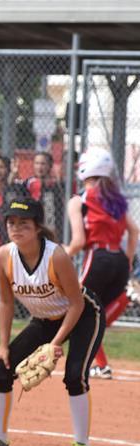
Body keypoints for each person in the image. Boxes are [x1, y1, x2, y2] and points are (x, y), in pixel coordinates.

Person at [0, 198, 104, 446]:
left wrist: (54, 343)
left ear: (38, 227)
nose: (16, 228)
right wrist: (3, 345)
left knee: (75, 376)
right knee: (0, 369)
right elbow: (5, 301)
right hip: (43, 319)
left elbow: (76, 304)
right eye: (11, 223)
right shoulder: (3, 256)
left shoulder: (56, 256)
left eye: (24, 224)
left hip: (83, 316)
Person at [65, 147, 139, 379]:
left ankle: (91, 364)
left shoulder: (80, 200)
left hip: (98, 257)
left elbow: (78, 242)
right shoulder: (116, 199)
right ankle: (102, 365)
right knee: (96, 315)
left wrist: (60, 254)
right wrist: (127, 261)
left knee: (78, 310)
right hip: (118, 259)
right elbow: (134, 230)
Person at [23, 152, 67, 241]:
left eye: (43, 164)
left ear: (50, 166)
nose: (39, 167)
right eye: (37, 163)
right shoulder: (29, 182)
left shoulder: (56, 184)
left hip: (51, 223)